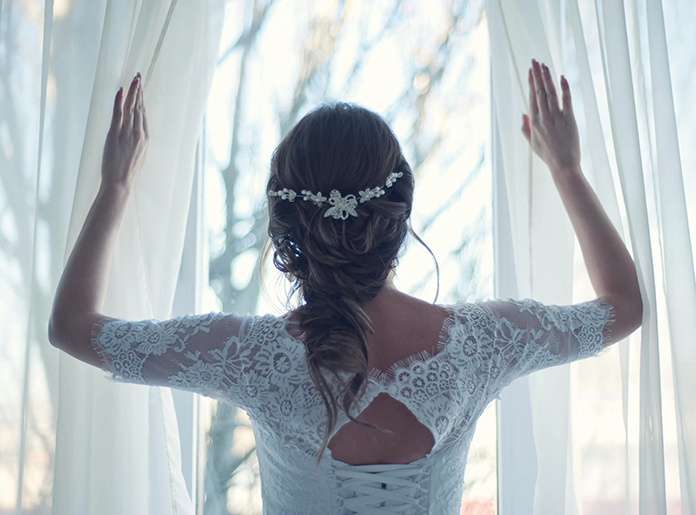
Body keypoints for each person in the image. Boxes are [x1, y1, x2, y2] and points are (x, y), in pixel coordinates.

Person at [49, 60, 642, 514]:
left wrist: (115, 188)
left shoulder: (250, 356)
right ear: (399, 210)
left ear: (286, 224)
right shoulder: (480, 343)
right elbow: (623, 306)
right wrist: (567, 170)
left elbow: (72, 327)